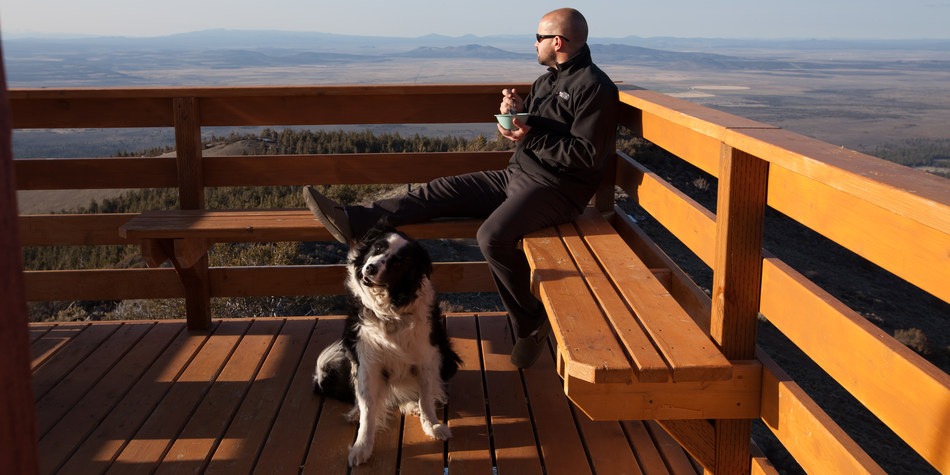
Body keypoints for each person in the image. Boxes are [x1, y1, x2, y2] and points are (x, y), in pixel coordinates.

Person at [304, 7, 618, 369]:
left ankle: (530, 324)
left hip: (557, 189)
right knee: (441, 191)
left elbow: (588, 155)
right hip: (518, 176)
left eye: (539, 38)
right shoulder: (548, 80)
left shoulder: (595, 87)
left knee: (492, 237)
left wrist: (530, 135)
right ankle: (356, 220)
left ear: (558, 42)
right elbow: (538, 131)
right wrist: (516, 112)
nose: (534, 44)